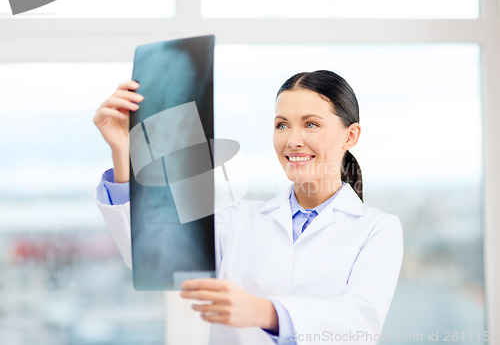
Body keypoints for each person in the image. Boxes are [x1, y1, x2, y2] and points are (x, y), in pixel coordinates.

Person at [93, 70, 404, 345]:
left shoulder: (377, 230)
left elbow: (358, 326)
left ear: (351, 135)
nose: (293, 140)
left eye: (310, 124)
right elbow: (151, 254)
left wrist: (263, 311)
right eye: (282, 125)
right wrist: (123, 151)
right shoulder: (237, 221)